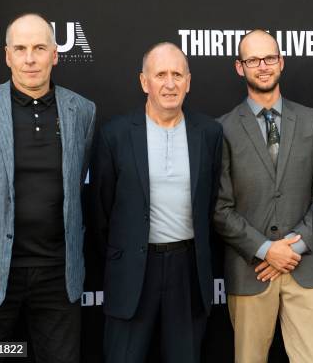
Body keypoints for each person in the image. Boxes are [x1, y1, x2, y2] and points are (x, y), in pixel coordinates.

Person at [0, 12, 96, 362]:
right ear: (7, 55)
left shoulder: (83, 112)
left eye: (39, 48)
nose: (30, 58)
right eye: (20, 48)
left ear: (55, 54)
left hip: (57, 278)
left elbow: (77, 184)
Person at [90, 42, 223, 362]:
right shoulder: (116, 134)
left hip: (187, 270)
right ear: (143, 81)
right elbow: (100, 212)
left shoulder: (209, 132)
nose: (169, 83)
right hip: (133, 270)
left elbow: (213, 204)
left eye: (177, 74)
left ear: (188, 82)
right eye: (160, 74)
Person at [214, 29, 313, 363]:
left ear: (281, 62)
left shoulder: (312, 121)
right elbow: (220, 208)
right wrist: (266, 251)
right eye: (253, 60)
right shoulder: (222, 129)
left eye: (269, 58)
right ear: (240, 67)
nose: (263, 66)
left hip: (307, 268)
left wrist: (290, 250)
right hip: (250, 271)